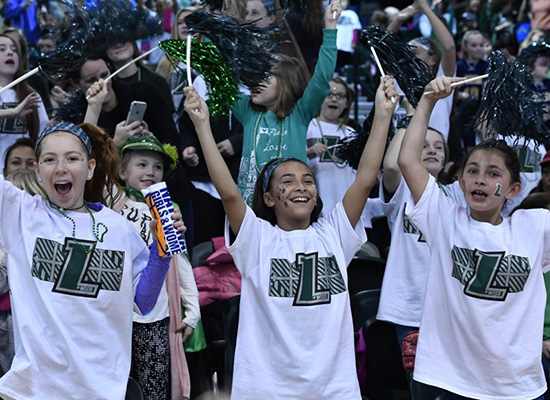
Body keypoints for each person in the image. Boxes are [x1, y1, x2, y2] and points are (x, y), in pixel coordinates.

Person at [183, 73, 397, 399]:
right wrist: (202, 126)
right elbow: (228, 193)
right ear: (269, 199)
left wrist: (383, 114)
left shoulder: (334, 233)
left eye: (307, 180)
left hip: (334, 389)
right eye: (287, 181)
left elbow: (366, 178)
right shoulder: (258, 238)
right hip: (266, 388)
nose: (300, 186)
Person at [0, 121, 186, 400]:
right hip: (33, 390)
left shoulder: (119, 227)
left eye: (72, 159)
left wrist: (161, 252)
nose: (61, 168)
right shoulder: (21, 214)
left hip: (102, 389)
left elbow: (143, 302)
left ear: (89, 168)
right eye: (50, 160)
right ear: (37, 172)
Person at [397, 75, 549, 400]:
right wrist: (426, 103)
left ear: (513, 190)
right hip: (453, 381)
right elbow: (408, 161)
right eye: (472, 171)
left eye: (494, 174)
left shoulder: (535, 226)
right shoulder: (444, 219)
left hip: (519, 385)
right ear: (461, 183)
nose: (481, 179)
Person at [116, 136, 201, 399]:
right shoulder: (110, 205)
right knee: (115, 386)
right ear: (121, 171)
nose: (150, 172)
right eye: (141, 164)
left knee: (154, 390)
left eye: (157, 167)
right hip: (115, 317)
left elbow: (181, 263)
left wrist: (193, 311)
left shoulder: (169, 210)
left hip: (155, 317)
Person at [232, 0, 341, 206]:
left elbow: (321, 77)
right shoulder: (248, 112)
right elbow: (220, 78)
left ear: (286, 83)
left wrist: (330, 29)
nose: (255, 82)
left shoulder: (299, 114)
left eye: (264, 78)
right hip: (249, 214)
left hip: (289, 210)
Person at [388, 0, 456, 140]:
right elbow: (383, 48)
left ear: (433, 59)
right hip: (396, 156)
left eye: (415, 52)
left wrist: (425, 8)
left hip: (431, 154)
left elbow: (449, 47)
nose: (408, 57)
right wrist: (398, 20)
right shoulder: (397, 83)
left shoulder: (442, 81)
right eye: (406, 53)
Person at [306, 76, 356, 217]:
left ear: (346, 103)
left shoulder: (351, 133)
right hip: (315, 209)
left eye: (340, 96)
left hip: (344, 209)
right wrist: (309, 152)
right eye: (329, 95)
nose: (334, 99)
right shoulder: (308, 127)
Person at [0, 33, 48, 169]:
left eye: (14, 50)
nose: (10, 52)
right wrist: (12, 112)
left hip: (24, 173)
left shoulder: (31, 95)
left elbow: (41, 136)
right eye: (2, 49)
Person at [454, 30, 488, 153]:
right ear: (465, 47)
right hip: (462, 113)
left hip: (480, 114)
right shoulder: (458, 67)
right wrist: (460, 95)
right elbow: (451, 91)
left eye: (481, 45)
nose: (479, 49)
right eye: (474, 45)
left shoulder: (487, 66)